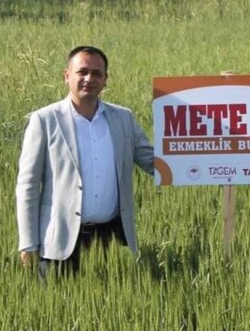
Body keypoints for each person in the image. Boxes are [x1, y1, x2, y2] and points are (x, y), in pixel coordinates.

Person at [16, 46, 154, 277]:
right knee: (56, 311)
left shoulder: (123, 118)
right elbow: (27, 185)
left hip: (111, 240)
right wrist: (28, 243)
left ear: (106, 80)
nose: (89, 78)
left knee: (113, 310)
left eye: (97, 73)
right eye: (82, 72)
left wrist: (209, 165)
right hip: (59, 242)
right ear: (67, 76)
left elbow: (152, 161)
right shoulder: (45, 120)